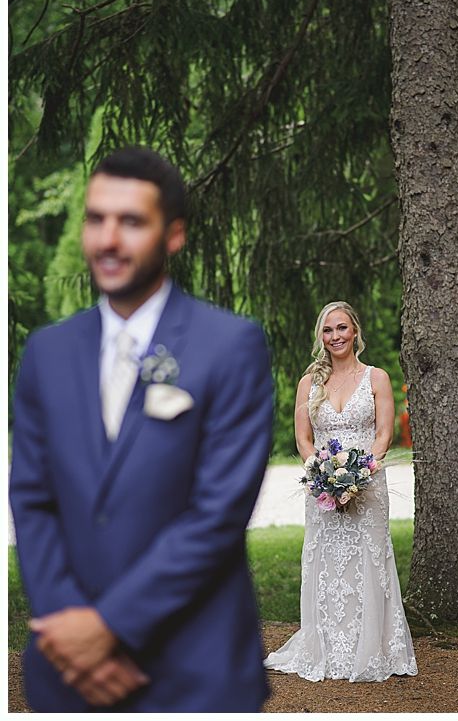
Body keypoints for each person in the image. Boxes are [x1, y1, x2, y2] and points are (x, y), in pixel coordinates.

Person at [10, 147, 274, 711]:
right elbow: (32, 500)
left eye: (130, 222)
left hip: (195, 670)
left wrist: (108, 628)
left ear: (172, 235)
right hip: (69, 678)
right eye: (96, 218)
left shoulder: (230, 346)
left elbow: (217, 515)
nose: (108, 239)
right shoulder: (46, 352)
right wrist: (73, 638)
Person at [264, 301, 417, 682]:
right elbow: (303, 438)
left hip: (368, 480)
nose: (335, 336)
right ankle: (326, 646)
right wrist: (322, 472)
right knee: (327, 562)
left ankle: (373, 648)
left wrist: (362, 470)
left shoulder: (376, 378)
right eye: (328, 330)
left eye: (342, 328)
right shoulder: (308, 382)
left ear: (355, 332)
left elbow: (385, 432)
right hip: (322, 486)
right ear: (321, 337)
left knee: (369, 558)